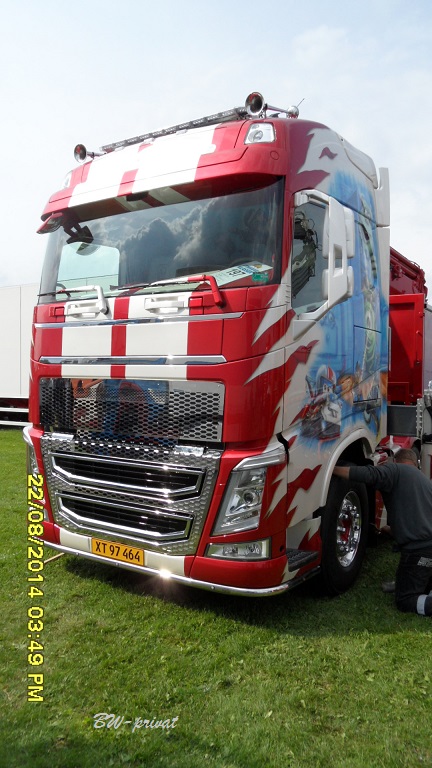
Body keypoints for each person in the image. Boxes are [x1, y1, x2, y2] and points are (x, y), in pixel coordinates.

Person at [333, 449, 432, 617]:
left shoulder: (395, 470)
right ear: (415, 463)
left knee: (405, 599)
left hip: (419, 552)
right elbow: (420, 522)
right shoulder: (424, 481)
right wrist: (390, 530)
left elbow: (369, 474)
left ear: (395, 461)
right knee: (419, 584)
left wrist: (331, 469)